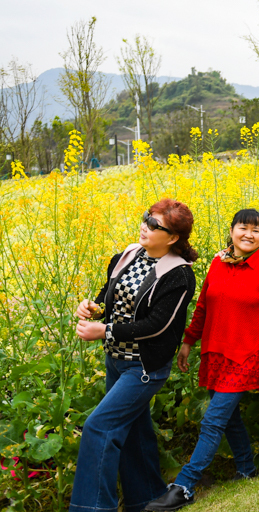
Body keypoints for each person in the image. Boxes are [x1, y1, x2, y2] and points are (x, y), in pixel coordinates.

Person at [145, 209, 259, 511]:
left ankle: (184, 485)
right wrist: (187, 342)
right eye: (243, 228)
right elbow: (203, 308)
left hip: (246, 356)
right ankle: (247, 470)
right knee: (229, 418)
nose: (249, 235)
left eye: (257, 230)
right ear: (232, 230)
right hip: (215, 352)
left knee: (212, 421)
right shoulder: (218, 263)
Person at [70, 199, 197, 512]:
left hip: (143, 368)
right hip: (116, 361)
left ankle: (92, 509)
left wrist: (104, 331)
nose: (145, 226)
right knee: (134, 434)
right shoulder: (126, 255)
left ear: (172, 238)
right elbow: (109, 297)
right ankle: (145, 500)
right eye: (146, 218)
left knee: (99, 427)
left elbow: (157, 325)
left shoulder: (179, 276)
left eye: (155, 225)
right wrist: (92, 306)